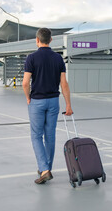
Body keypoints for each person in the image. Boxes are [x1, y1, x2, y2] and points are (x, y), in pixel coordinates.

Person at [22, 28, 73, 184]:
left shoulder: (31, 58)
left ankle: (44, 170)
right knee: (50, 136)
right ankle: (46, 169)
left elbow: (25, 83)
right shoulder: (58, 59)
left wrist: (28, 98)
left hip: (37, 101)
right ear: (51, 40)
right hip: (53, 101)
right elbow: (63, 83)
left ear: (37, 40)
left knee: (36, 136)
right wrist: (68, 105)